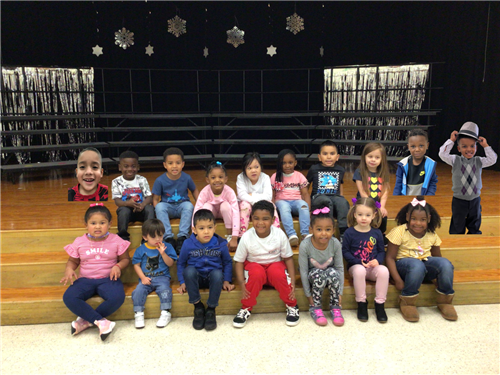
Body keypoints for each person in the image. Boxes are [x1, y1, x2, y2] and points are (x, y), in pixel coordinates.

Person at [60, 204, 130, 341]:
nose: (98, 226)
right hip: (85, 279)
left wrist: (118, 266)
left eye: (102, 223)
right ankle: (101, 322)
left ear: (109, 224)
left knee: (117, 297)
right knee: (69, 297)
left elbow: (126, 259)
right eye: (93, 223)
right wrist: (69, 269)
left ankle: (85, 321)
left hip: (108, 278)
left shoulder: (116, 240)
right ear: (86, 225)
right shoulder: (80, 241)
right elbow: (73, 261)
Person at [385, 196, 458, 322]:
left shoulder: (432, 234)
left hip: (423, 266)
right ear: (407, 217)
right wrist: (397, 279)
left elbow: (437, 258)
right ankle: (408, 301)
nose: (418, 223)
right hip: (404, 266)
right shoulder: (399, 231)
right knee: (416, 265)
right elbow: (390, 258)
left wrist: (439, 276)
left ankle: (445, 301)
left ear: (429, 219)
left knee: (445, 263)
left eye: (422, 220)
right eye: (413, 219)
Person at [232, 200, 299, 328]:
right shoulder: (246, 236)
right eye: (256, 218)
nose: (260, 223)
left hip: (274, 266)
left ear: (273, 219)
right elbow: (239, 262)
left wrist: (293, 282)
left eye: (265, 219)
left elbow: (288, 259)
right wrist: (241, 283)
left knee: (277, 272)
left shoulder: (279, 234)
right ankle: (246, 308)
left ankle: (292, 305)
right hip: (255, 269)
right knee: (256, 272)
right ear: (251, 219)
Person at [177, 209, 234, 331]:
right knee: (189, 271)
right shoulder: (187, 244)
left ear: (215, 227)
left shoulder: (221, 243)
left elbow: (227, 262)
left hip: (214, 279)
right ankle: (198, 307)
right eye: (201, 228)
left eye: (209, 227)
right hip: (195, 279)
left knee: (218, 274)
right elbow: (181, 263)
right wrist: (182, 282)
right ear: (194, 230)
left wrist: (227, 280)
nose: (206, 231)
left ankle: (211, 310)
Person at [438, 122, 497, 234]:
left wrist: (486, 145)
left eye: (472, 146)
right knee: (457, 224)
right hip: (459, 200)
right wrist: (451, 140)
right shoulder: (455, 160)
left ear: (476, 147)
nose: (468, 149)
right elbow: (442, 154)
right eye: (464, 146)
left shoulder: (479, 161)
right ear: (459, 149)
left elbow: (492, 159)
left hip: (475, 199)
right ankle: (456, 241)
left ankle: (473, 239)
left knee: (474, 223)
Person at [342, 197, 389, 323]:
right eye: (360, 214)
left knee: (384, 271)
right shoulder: (349, 233)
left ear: (373, 215)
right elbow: (345, 252)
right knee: (359, 271)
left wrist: (378, 261)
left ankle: (380, 304)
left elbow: (380, 251)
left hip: (372, 268)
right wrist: (357, 262)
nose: (364, 218)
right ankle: (361, 303)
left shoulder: (377, 233)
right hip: (356, 267)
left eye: (367, 215)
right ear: (354, 214)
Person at [298, 202, 344, 327]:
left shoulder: (335, 244)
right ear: (311, 230)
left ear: (333, 230)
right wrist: (308, 296)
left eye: (328, 230)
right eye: (319, 229)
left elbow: (340, 268)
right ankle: (315, 308)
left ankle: (335, 307)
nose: (324, 233)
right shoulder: (305, 245)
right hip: (314, 274)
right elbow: (303, 271)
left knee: (333, 273)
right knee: (319, 275)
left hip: (330, 273)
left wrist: (340, 293)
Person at [131, 219, 177, 329]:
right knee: (138, 291)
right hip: (146, 278)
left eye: (160, 236)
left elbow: (171, 263)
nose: (158, 239)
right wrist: (142, 278)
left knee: (165, 290)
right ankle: (138, 313)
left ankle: (166, 312)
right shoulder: (141, 249)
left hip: (162, 277)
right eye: (153, 236)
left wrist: (163, 253)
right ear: (145, 237)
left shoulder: (167, 247)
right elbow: (136, 265)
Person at [152, 147, 199, 253]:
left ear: (183, 164)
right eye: (170, 163)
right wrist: (157, 212)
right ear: (165, 165)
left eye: (178, 163)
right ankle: (168, 237)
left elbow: (194, 190)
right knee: (160, 206)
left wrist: (199, 204)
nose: (174, 166)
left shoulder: (187, 178)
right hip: (167, 206)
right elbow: (155, 199)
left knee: (189, 206)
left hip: (182, 205)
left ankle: (182, 237)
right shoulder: (160, 180)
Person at [306, 140, 350, 239]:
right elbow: (306, 186)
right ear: (319, 157)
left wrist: (341, 197)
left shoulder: (340, 170)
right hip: (318, 198)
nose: (329, 157)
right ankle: (329, 230)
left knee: (342, 202)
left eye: (332, 154)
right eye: (325, 154)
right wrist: (307, 205)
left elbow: (340, 184)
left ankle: (343, 232)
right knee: (326, 200)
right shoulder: (314, 169)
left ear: (337, 157)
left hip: (334, 197)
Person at [194, 161, 239, 252]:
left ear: (226, 179)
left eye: (220, 177)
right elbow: (197, 209)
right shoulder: (204, 192)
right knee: (206, 206)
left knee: (225, 206)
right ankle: (206, 233)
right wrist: (194, 231)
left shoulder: (229, 192)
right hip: (212, 214)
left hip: (225, 214)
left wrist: (234, 236)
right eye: (213, 177)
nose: (217, 180)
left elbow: (235, 212)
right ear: (207, 180)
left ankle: (229, 235)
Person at [111, 151, 154, 241]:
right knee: (123, 211)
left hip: (141, 209)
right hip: (127, 210)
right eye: (126, 166)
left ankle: (147, 236)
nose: (130, 169)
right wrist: (128, 203)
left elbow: (149, 197)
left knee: (150, 209)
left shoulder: (142, 180)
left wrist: (143, 205)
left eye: (133, 166)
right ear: (120, 167)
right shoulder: (116, 181)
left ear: (138, 167)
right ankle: (123, 236)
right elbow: (117, 201)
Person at [271, 149, 311, 246]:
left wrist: (308, 209)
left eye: (290, 162)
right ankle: (291, 235)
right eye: (284, 163)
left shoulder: (299, 176)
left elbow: (305, 194)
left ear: (295, 163)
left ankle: (305, 234)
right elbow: (272, 194)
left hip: (297, 201)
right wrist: (272, 209)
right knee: (284, 208)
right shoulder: (275, 176)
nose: (287, 165)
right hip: (282, 201)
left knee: (303, 206)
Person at [236, 152, 280, 236]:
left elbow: (268, 196)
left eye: (256, 167)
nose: (253, 170)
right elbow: (242, 195)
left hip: (261, 203)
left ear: (261, 167)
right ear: (244, 169)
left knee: (271, 205)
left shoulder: (265, 177)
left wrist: (252, 195)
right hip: (246, 204)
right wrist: (257, 198)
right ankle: (242, 235)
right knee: (245, 205)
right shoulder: (240, 177)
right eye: (249, 168)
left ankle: (276, 233)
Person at [353, 143, 390, 236]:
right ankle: (363, 232)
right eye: (370, 156)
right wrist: (373, 206)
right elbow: (362, 192)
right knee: (365, 214)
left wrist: (382, 206)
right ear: (364, 157)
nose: (373, 160)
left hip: (377, 204)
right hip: (364, 202)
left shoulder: (383, 173)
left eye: (377, 157)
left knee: (383, 215)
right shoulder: (359, 172)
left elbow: (385, 192)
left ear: (382, 159)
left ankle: (380, 234)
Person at [393, 129, 438, 196]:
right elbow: (398, 185)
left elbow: (432, 184)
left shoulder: (430, 164)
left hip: (423, 200)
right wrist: (397, 200)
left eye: (421, 146)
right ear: (408, 147)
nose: (417, 149)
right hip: (406, 200)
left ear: (427, 145)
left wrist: (428, 198)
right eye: (413, 146)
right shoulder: (403, 164)